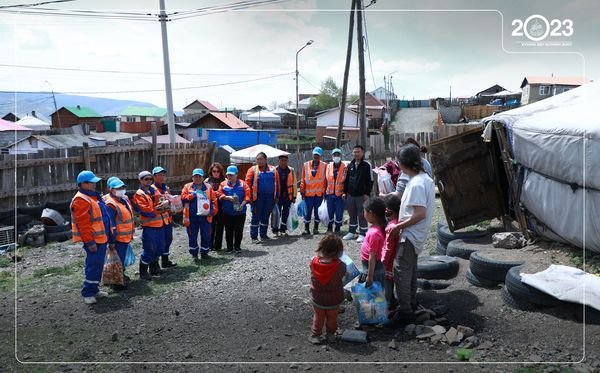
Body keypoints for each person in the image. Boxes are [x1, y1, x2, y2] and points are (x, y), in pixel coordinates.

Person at [389, 144, 436, 325]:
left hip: (410, 235)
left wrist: (398, 226)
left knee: (401, 272)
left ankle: (406, 312)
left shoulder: (416, 184)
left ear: (403, 164)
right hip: (417, 234)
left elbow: (419, 213)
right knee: (410, 271)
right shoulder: (424, 179)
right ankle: (411, 303)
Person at [70, 170, 115, 304]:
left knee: (98, 265)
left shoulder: (94, 197)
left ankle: (94, 289)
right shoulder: (80, 200)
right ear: (82, 184)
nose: (95, 184)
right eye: (92, 182)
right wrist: (89, 242)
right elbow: (83, 224)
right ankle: (88, 292)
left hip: (101, 238)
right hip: (94, 240)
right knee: (93, 265)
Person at [309, 234, 346, 345]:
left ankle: (316, 335)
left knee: (318, 317)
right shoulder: (341, 266)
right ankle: (331, 335)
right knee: (332, 317)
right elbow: (344, 276)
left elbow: (313, 260)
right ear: (339, 251)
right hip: (334, 299)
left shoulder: (313, 262)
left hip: (318, 298)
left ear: (321, 248)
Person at [132, 171, 170, 280]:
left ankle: (154, 268)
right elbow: (146, 211)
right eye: (145, 179)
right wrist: (160, 209)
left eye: (150, 179)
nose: (148, 181)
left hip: (161, 224)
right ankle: (143, 272)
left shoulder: (155, 191)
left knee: (159, 247)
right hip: (150, 227)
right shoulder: (139, 194)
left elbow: (163, 203)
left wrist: (166, 204)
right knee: (149, 249)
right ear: (140, 180)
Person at [103, 176, 135, 291]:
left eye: (122, 187)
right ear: (111, 189)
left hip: (125, 236)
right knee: (117, 261)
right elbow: (111, 224)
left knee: (120, 260)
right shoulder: (110, 203)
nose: (121, 189)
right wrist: (112, 240)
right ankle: (116, 284)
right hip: (118, 238)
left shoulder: (123, 199)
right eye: (118, 188)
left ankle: (120, 277)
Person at [181, 168, 218, 263]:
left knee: (206, 235)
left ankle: (205, 253)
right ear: (192, 177)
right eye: (195, 176)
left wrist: (212, 211)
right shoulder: (187, 187)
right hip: (191, 217)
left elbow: (214, 200)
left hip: (205, 216)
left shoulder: (208, 187)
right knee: (192, 235)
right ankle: (194, 254)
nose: (197, 178)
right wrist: (191, 196)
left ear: (203, 177)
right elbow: (182, 198)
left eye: (199, 176)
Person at [245, 152, 280, 243]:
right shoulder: (252, 170)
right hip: (257, 198)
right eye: (257, 159)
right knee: (256, 216)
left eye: (261, 159)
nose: (259, 161)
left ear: (266, 160)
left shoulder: (273, 169)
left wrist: (277, 196)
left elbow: (277, 183)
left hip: (270, 197)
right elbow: (247, 185)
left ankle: (263, 235)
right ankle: (254, 237)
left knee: (265, 216)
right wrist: (250, 198)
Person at [342, 144, 373, 242]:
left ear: (362, 153)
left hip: (361, 195)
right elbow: (346, 180)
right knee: (352, 214)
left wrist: (367, 194)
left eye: (358, 152)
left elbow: (370, 180)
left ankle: (363, 233)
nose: (356, 154)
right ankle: (351, 232)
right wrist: (344, 192)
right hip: (350, 195)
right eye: (355, 152)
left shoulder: (366, 165)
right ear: (352, 153)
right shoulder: (350, 165)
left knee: (362, 214)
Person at [217, 165, 251, 252]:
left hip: (240, 212)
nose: (230, 177)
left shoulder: (243, 184)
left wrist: (242, 204)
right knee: (228, 230)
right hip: (227, 212)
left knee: (239, 230)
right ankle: (229, 248)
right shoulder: (223, 184)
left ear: (236, 174)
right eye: (228, 175)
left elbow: (248, 195)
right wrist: (227, 197)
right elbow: (219, 194)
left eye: (231, 175)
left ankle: (237, 247)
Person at [151, 166, 177, 269]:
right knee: (158, 242)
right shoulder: (152, 189)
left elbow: (170, 201)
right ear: (154, 176)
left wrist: (174, 207)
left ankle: (165, 261)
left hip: (167, 218)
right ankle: (154, 264)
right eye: (159, 175)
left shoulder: (166, 188)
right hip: (157, 220)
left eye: (163, 175)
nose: (162, 177)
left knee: (168, 239)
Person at [359, 197, 386, 288]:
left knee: (373, 296)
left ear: (371, 213)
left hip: (374, 271)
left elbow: (372, 256)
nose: (364, 214)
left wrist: (370, 277)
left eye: (365, 211)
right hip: (371, 268)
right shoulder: (376, 228)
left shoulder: (374, 233)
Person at [300, 147, 327, 235]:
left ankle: (316, 228)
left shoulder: (324, 165)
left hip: (318, 194)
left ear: (320, 156)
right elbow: (303, 179)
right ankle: (306, 229)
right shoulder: (306, 165)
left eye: (318, 155)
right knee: (307, 212)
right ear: (312, 155)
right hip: (308, 194)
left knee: (317, 212)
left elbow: (326, 180)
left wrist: (324, 192)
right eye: (315, 155)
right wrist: (302, 190)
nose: (316, 157)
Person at [382, 193, 401, 312]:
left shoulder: (391, 227)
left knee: (387, 283)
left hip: (388, 262)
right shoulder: (397, 222)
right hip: (395, 258)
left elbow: (388, 247)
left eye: (386, 208)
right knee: (390, 281)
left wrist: (382, 261)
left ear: (389, 210)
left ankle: (387, 305)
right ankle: (392, 301)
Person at [273, 154, 297, 237]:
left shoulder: (291, 170)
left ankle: (283, 229)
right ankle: (275, 229)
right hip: (277, 197)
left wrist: (294, 197)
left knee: (285, 213)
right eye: (281, 160)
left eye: (285, 160)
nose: (283, 162)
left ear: (287, 161)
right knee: (276, 213)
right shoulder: (274, 170)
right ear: (278, 161)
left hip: (287, 196)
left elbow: (294, 184)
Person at [325, 148, 346, 234]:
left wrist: (345, 192)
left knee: (339, 212)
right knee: (330, 211)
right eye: (335, 155)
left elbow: (346, 181)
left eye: (338, 155)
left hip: (339, 194)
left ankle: (337, 227)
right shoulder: (328, 166)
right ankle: (330, 226)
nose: (336, 157)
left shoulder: (344, 166)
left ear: (340, 156)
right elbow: (325, 180)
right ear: (332, 156)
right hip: (329, 193)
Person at [206, 162, 226, 251]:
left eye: (218, 171)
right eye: (214, 171)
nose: (216, 173)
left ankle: (218, 246)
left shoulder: (225, 181)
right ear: (211, 172)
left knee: (220, 226)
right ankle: (210, 245)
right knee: (210, 226)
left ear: (221, 172)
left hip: (221, 206)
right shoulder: (206, 181)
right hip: (210, 206)